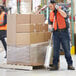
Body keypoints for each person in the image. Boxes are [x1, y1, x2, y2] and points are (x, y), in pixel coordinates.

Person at [48, 0, 75, 70]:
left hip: (64, 32)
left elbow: (65, 15)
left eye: (51, 6)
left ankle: (70, 65)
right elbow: (50, 23)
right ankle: (55, 65)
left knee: (66, 49)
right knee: (56, 50)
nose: (50, 7)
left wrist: (58, 9)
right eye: (49, 6)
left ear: (54, 4)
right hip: (55, 33)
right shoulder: (51, 13)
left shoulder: (62, 9)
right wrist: (50, 28)